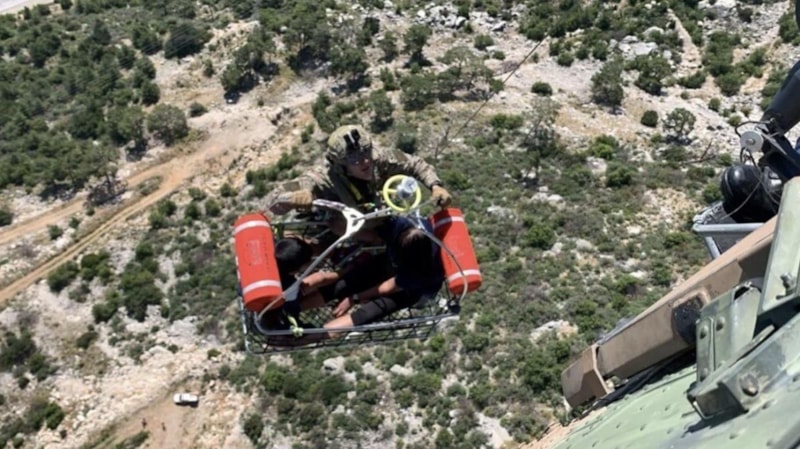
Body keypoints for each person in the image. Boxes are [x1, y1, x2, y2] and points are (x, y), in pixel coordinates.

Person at [266, 125, 452, 218]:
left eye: (366, 153)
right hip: (343, 232)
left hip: (380, 220)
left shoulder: (380, 158)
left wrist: (436, 186)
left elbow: (415, 164)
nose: (365, 162)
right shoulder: (324, 177)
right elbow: (274, 200)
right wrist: (297, 196)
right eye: (354, 160)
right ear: (341, 164)